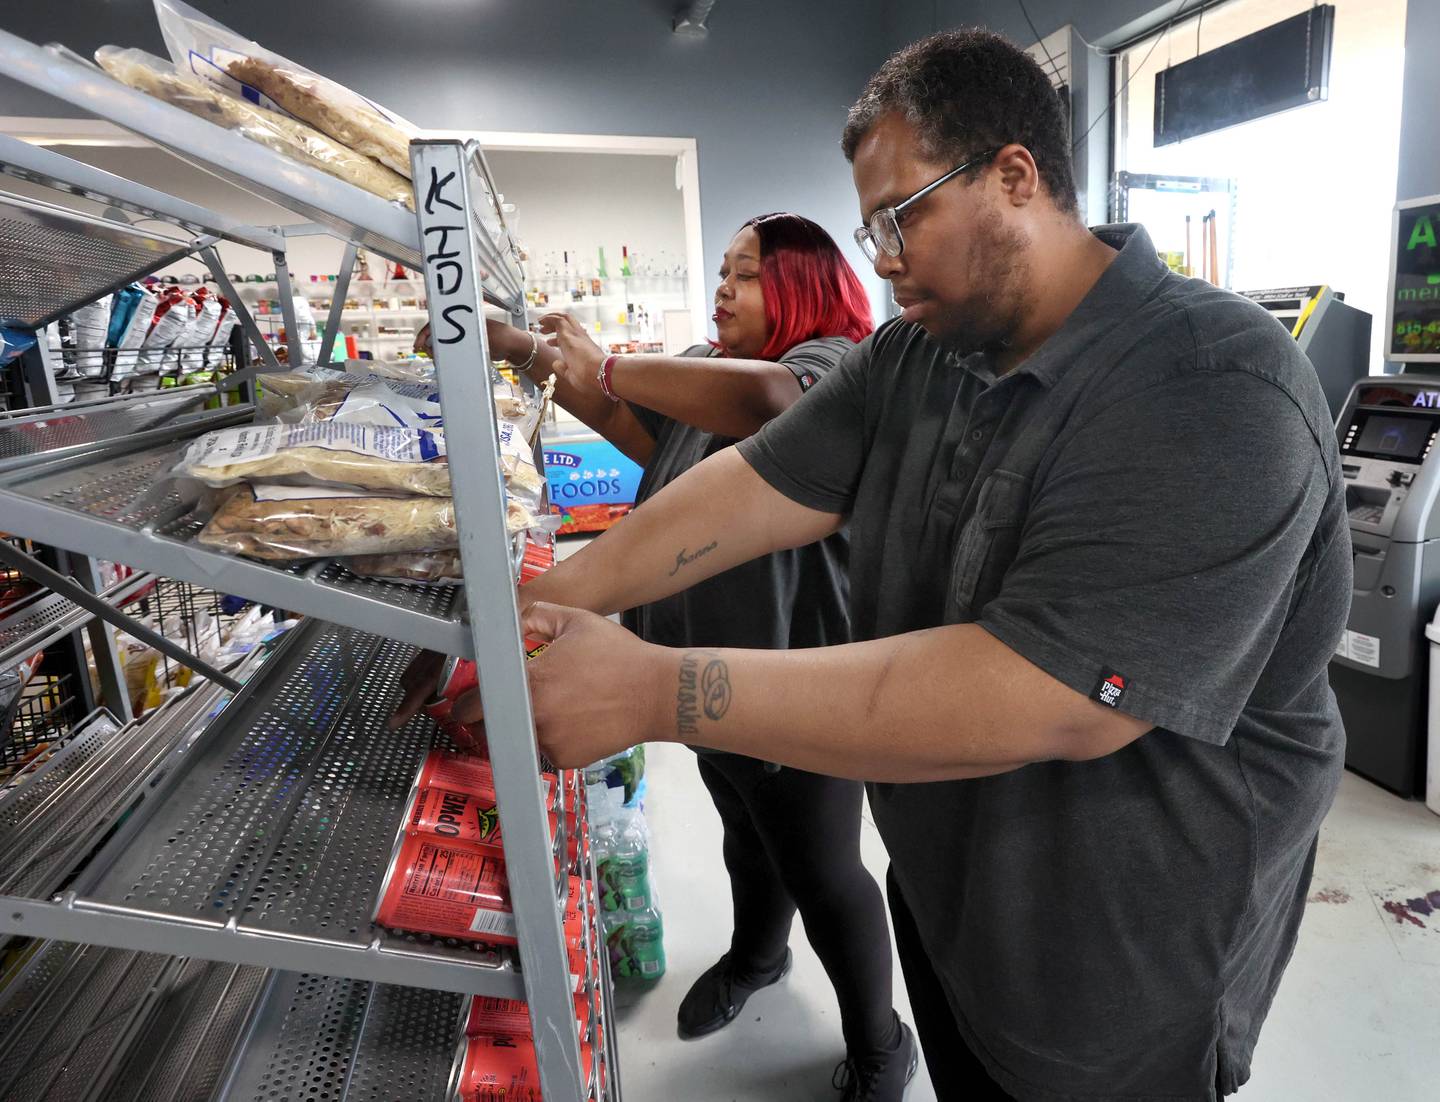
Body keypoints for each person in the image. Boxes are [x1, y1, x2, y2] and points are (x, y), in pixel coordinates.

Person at [407, 29, 1354, 1102]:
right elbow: (755, 484)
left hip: (1119, 965)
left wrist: (652, 688)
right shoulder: (920, 354)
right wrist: (535, 602)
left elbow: (1044, 696)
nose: (884, 258)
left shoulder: (1212, 385)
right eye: (870, 228)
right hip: (953, 901)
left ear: (1014, 176)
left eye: (902, 217)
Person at [408, 213, 916, 1100]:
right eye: (722, 269)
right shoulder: (705, 373)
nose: (725, 287)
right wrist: (530, 354)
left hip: (798, 680)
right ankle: (757, 957)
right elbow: (631, 423)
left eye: (747, 273)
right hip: (692, 674)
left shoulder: (832, 366)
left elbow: (772, 405)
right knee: (746, 838)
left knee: (824, 869)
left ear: (803, 287)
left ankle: (880, 1042)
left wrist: (602, 360)